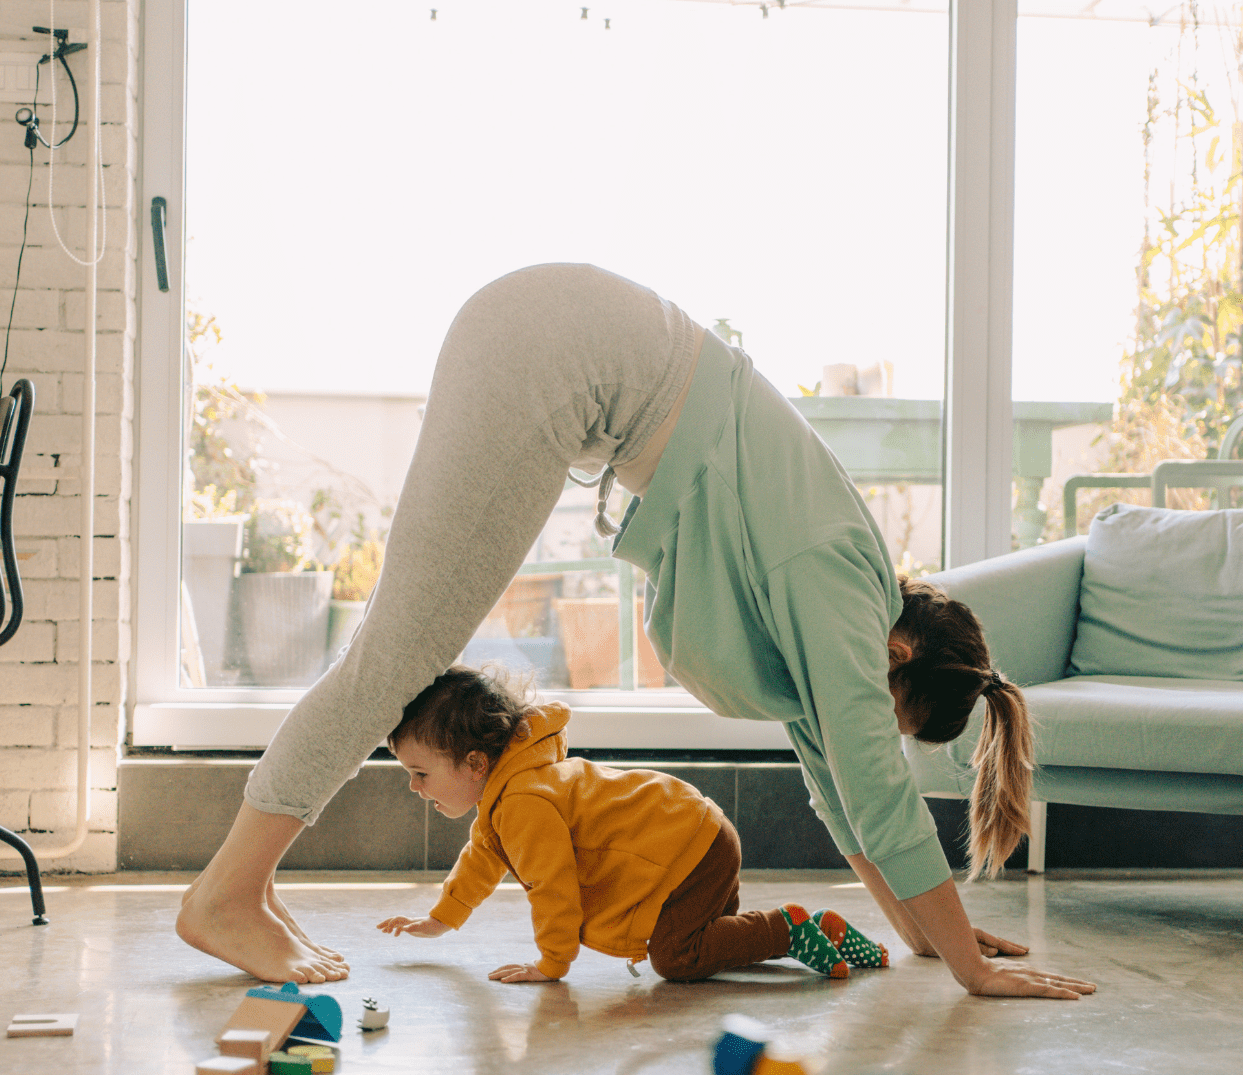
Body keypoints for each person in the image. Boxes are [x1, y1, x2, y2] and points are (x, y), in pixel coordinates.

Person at [176, 262, 1095, 1001]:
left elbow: (831, 777)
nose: (861, 707)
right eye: (887, 707)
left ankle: (245, 888)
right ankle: (225, 891)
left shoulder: (836, 574)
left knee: (394, 643)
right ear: (898, 653)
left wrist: (922, 931)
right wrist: (972, 971)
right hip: (550, 351)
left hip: (552, 336)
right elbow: (870, 780)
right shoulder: (834, 580)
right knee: (399, 652)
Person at [372, 667, 886, 982]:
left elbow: (552, 886)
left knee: (677, 958)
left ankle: (789, 928)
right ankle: (826, 934)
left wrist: (552, 963)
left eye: (420, 773)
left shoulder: (524, 802)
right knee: (713, 945)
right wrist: (440, 919)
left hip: (687, 852)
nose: (415, 787)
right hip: (695, 839)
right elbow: (480, 861)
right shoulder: (507, 797)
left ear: (477, 763)